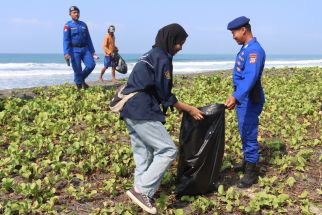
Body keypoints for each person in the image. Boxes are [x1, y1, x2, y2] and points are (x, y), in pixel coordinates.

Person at [121, 24, 204, 214]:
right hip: (142, 109)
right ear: (170, 40)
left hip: (129, 109)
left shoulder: (149, 54)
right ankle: (142, 191)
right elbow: (165, 93)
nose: (180, 48)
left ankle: (140, 194)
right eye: (179, 43)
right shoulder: (161, 57)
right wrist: (189, 109)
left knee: (144, 154)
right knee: (167, 150)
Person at [224, 16, 266, 188]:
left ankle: (252, 171)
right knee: (244, 131)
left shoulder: (254, 51)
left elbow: (250, 78)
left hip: (249, 98)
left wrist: (236, 96)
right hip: (243, 97)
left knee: (248, 133)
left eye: (234, 32)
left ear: (243, 30)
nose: (233, 36)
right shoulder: (245, 49)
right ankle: (247, 162)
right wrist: (236, 95)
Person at [63, 6, 98, 90]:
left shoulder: (83, 24)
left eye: (77, 12)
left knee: (91, 65)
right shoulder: (67, 25)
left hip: (85, 49)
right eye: (74, 12)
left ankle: (79, 79)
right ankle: (79, 87)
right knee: (77, 69)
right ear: (70, 14)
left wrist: (92, 51)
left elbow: (88, 39)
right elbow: (66, 40)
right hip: (74, 50)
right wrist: (66, 53)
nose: (76, 14)